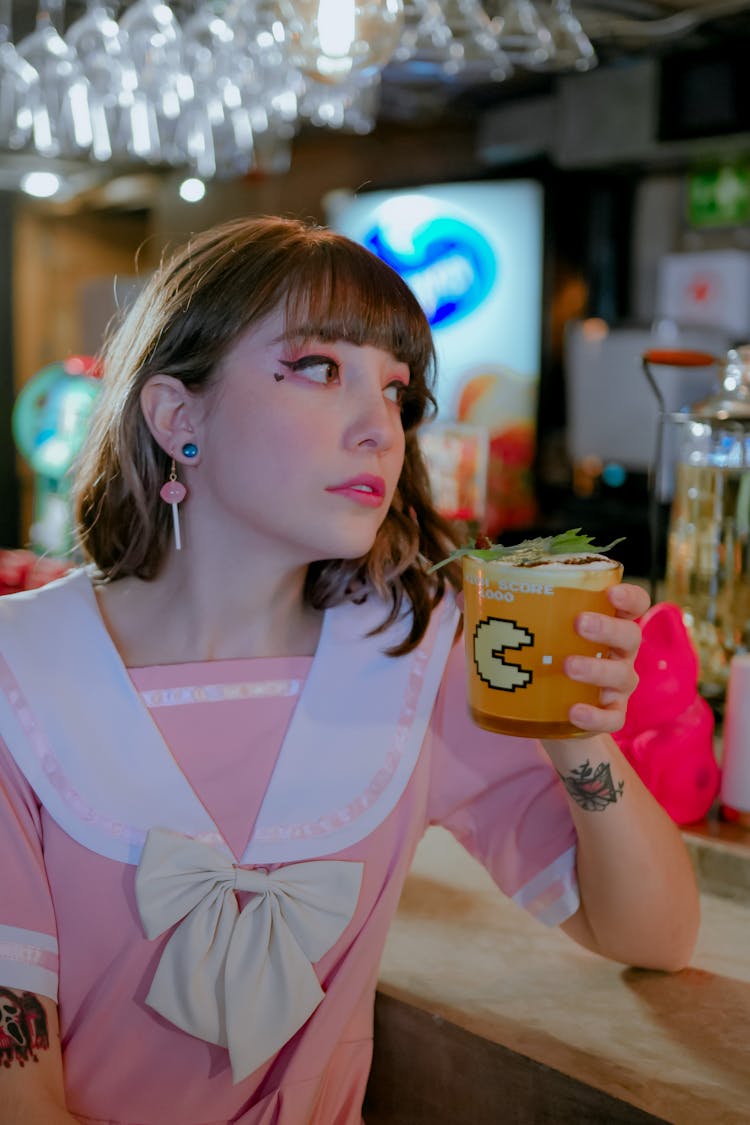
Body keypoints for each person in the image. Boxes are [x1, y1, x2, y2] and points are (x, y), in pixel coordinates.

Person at [0, 216, 699, 1125]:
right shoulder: (22, 670)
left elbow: (654, 934)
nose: (380, 428)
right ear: (178, 417)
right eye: (320, 368)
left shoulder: (411, 651)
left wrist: (573, 735)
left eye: (398, 392)